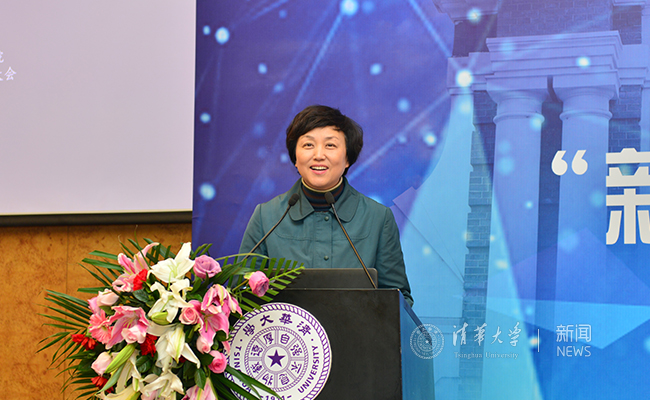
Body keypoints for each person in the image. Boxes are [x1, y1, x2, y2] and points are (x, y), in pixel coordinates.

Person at [239, 105, 413, 306]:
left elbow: (398, 300)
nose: (319, 155)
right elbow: (240, 296)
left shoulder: (378, 218)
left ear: (347, 158)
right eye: (308, 145)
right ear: (295, 158)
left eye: (330, 145)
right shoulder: (266, 217)